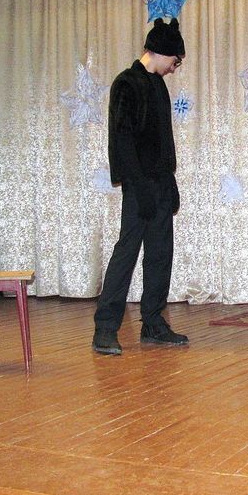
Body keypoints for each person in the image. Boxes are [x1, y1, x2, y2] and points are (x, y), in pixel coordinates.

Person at [93, 18, 188, 356]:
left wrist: (170, 180)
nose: (175, 68)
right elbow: (121, 139)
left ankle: (153, 323)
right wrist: (137, 184)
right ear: (161, 51)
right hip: (138, 185)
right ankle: (105, 328)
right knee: (127, 252)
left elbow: (162, 141)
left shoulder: (158, 86)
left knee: (161, 253)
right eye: (175, 61)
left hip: (160, 183)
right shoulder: (127, 83)